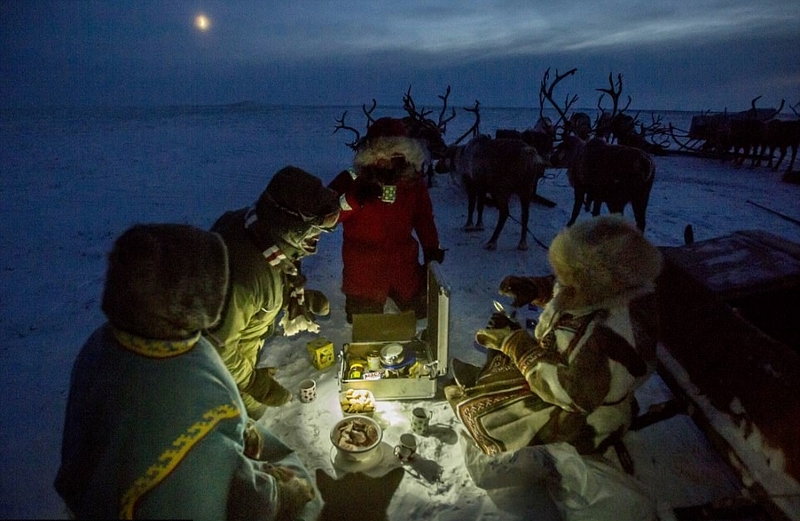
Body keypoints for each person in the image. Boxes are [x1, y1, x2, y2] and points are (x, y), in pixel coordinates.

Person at [54, 223, 320, 520]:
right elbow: (224, 491)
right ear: (201, 294)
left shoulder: (107, 342)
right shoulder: (187, 390)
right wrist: (286, 494)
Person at [446, 215, 663, 456]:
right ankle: (488, 384)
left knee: (487, 420)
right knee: (506, 351)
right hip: (560, 366)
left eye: (566, 276)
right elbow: (565, 290)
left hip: (584, 412)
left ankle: (488, 395)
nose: (560, 281)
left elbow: (573, 393)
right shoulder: (601, 287)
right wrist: (535, 288)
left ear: (593, 280)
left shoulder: (614, 329)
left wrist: (516, 344)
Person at [204, 166, 340, 419]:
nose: (318, 238)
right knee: (247, 416)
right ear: (289, 224)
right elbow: (217, 346)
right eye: (314, 229)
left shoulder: (257, 229)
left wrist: (296, 296)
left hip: (239, 342)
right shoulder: (244, 279)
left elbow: (274, 272)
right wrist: (254, 383)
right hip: (218, 368)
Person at [328, 117, 445, 323]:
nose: (389, 163)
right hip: (363, 272)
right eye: (382, 157)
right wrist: (355, 198)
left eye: (396, 157)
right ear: (370, 157)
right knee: (364, 324)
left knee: (422, 314)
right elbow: (326, 216)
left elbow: (424, 218)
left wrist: (431, 249)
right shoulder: (352, 179)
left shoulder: (412, 183)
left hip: (403, 268)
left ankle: (403, 291)